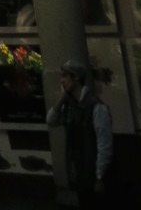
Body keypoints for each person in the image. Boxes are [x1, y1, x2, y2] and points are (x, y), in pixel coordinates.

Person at [47, 58, 114, 205]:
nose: (61, 81)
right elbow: (51, 121)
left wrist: (100, 177)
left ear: (76, 77)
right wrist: (61, 99)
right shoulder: (70, 106)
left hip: (92, 171)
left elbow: (104, 144)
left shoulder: (95, 106)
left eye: (65, 76)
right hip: (78, 172)